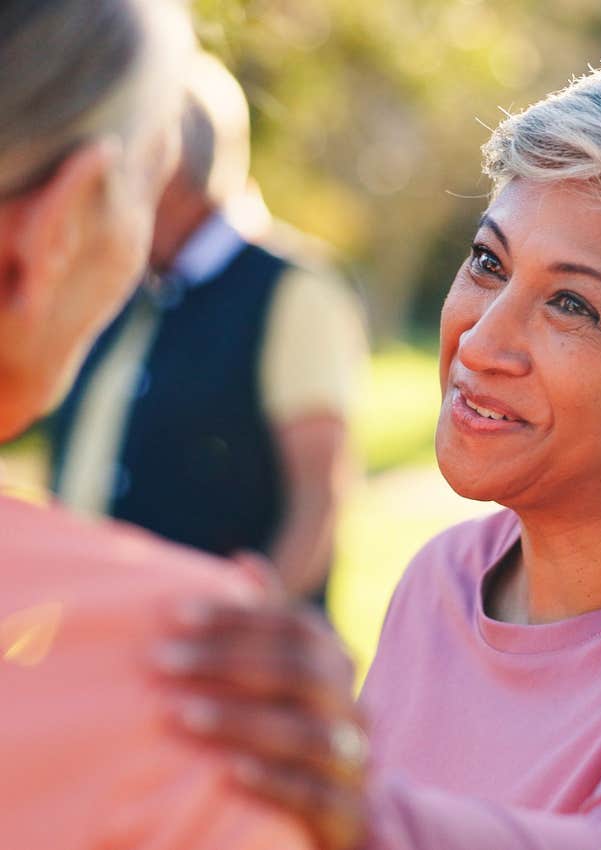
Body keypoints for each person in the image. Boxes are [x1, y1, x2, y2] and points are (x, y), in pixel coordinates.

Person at [159, 55, 601, 849]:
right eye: (489, 262)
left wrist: (335, 806)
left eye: (571, 304)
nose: (480, 344)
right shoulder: (442, 579)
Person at [0, 2, 366, 849]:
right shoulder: (183, 753)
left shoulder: (288, 289)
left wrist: (250, 623)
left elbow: (325, 480)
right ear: (64, 219)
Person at [49, 51, 366, 606]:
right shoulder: (131, 283)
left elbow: (322, 493)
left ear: (164, 162)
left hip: (214, 668)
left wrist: (250, 622)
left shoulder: (293, 291)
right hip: (105, 645)